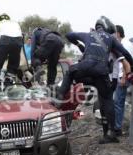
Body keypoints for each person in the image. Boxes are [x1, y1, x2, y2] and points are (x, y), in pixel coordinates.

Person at [57, 16, 133, 144]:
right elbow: (125, 54)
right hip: (102, 75)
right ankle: (110, 133)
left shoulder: (89, 35)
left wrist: (79, 44)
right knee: (107, 102)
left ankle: (59, 99)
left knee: (70, 73)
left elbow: (69, 35)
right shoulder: (112, 41)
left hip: (90, 72)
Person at [0, 13, 23, 79]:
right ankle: (11, 75)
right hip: (18, 40)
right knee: (13, 63)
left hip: (5, 39)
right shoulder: (15, 23)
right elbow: (20, 37)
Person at [113, 25, 131, 136]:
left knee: (118, 103)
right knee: (118, 102)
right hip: (118, 77)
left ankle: (117, 128)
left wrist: (124, 77)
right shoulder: (118, 45)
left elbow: (128, 63)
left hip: (123, 78)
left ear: (118, 33)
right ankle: (117, 126)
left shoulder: (125, 46)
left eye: (113, 32)